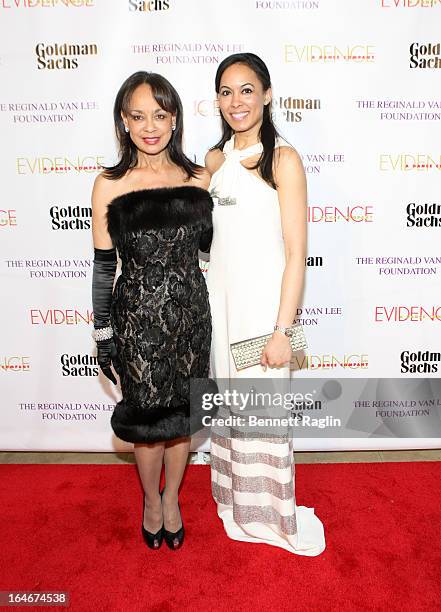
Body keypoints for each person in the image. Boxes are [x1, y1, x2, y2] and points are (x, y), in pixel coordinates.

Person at [205, 53, 325, 555]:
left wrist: (283, 330)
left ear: (268, 94)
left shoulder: (284, 160)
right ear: (217, 101)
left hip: (263, 316)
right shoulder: (213, 161)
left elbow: (297, 253)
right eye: (227, 92)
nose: (237, 101)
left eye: (247, 89)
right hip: (220, 310)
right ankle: (235, 504)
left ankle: (270, 515)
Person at [91, 71, 213, 551]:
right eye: (138, 116)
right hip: (137, 320)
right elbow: (104, 269)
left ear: (175, 118)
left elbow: (208, 247)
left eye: (159, 115)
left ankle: (174, 498)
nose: (150, 126)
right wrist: (104, 336)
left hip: (190, 317)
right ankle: (150, 500)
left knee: (180, 419)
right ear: (123, 121)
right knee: (147, 424)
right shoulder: (109, 185)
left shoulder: (197, 177)